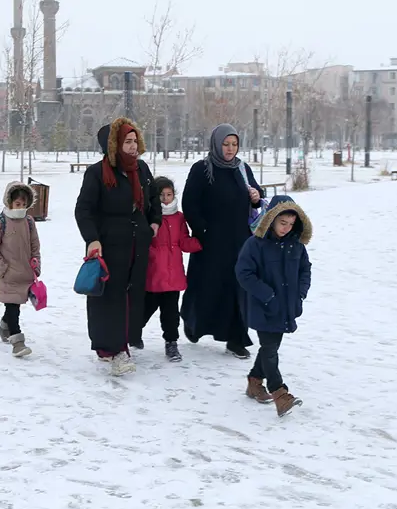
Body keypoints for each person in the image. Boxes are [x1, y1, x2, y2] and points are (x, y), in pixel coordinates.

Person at [74, 117, 161, 376]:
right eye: (127, 142)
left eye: (135, 141)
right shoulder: (98, 173)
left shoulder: (142, 169)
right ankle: (114, 349)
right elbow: (83, 209)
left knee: (133, 297)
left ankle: (123, 342)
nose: (133, 146)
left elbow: (153, 198)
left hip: (138, 243)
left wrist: (154, 222)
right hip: (109, 245)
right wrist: (92, 239)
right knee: (109, 298)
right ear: (115, 144)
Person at [180, 123, 264, 359]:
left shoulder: (242, 168)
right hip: (211, 242)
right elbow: (190, 203)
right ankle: (193, 320)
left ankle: (236, 338)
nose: (230, 149)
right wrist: (202, 231)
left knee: (238, 288)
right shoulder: (202, 169)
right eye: (226, 144)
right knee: (206, 286)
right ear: (217, 144)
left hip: (240, 240)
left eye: (234, 144)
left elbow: (255, 195)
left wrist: (257, 197)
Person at [235, 194, 312, 417]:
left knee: (271, 347)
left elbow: (305, 270)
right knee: (270, 349)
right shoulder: (255, 244)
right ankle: (279, 392)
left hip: (287, 306)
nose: (286, 228)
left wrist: (300, 294)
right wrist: (267, 295)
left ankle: (254, 381)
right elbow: (243, 273)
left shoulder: (296, 246)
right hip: (263, 306)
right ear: (271, 219)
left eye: (291, 224)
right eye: (282, 222)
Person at [144, 176, 202, 362]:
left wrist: (201, 241)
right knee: (143, 310)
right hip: (154, 275)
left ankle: (171, 343)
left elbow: (183, 242)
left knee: (171, 314)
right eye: (161, 195)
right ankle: (130, 335)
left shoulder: (179, 218)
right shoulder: (150, 216)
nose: (166, 199)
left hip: (173, 276)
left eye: (169, 194)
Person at [0, 182, 41, 358]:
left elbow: (35, 245)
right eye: (18, 204)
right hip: (7, 274)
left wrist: (36, 264)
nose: (21, 207)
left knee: (14, 305)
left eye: (24, 204)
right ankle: (18, 343)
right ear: (9, 202)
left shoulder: (29, 222)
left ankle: (4, 326)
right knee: (13, 307)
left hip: (25, 273)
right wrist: (1, 269)